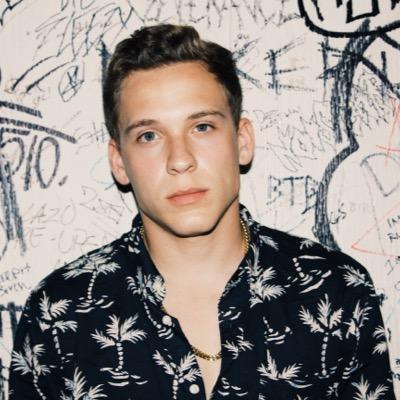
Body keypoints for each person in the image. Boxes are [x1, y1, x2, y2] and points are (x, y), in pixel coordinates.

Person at [8, 24, 395, 400]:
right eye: (148, 136)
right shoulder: (58, 313)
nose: (180, 159)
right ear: (119, 161)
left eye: (203, 127)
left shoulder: (335, 290)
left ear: (242, 141)